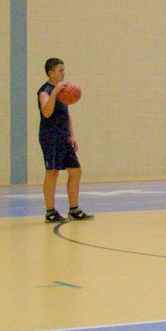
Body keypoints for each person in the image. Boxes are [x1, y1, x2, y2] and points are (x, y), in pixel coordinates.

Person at [38, 58, 94, 223]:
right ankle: (50, 212)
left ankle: (74, 210)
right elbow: (46, 112)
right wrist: (55, 93)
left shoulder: (64, 91)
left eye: (64, 70)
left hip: (64, 136)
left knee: (76, 171)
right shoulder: (45, 91)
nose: (64, 73)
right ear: (51, 73)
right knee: (52, 172)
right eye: (60, 70)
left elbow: (66, 115)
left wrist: (72, 135)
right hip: (51, 136)